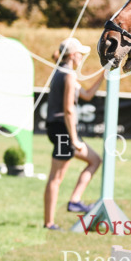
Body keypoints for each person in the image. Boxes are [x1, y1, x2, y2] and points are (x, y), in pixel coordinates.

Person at [43, 37, 104, 230]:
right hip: (63, 130)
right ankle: (49, 223)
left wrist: (104, 74)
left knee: (95, 160)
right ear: (72, 55)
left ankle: (75, 201)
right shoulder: (67, 75)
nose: (82, 57)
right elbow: (69, 109)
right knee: (56, 177)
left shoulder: (63, 73)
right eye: (80, 54)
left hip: (61, 129)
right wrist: (74, 138)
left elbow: (87, 95)